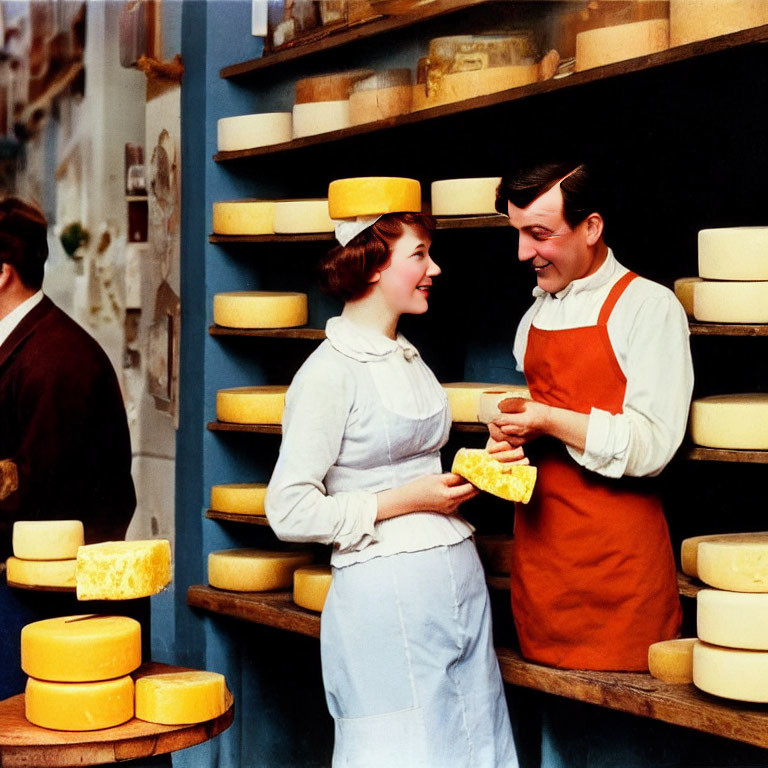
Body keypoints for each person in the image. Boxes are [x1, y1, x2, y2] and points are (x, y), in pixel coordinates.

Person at [266, 202, 519, 767]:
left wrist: (479, 465)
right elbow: (289, 509)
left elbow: (412, 464)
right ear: (375, 265)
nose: (434, 269)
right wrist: (411, 499)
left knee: (477, 749)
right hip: (386, 603)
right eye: (420, 256)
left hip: (455, 588)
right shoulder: (328, 372)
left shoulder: (407, 355)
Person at [489, 161, 693, 672]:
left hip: (619, 571)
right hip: (543, 564)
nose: (522, 253)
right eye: (517, 234)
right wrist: (510, 438)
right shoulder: (535, 313)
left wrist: (548, 421)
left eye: (538, 234)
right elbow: (536, 422)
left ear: (592, 227)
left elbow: (651, 446)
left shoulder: (649, 307)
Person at [0, 196, 136, 697]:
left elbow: (46, 506)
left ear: (3, 273)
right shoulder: (28, 345)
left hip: (51, 608)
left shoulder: (55, 361)